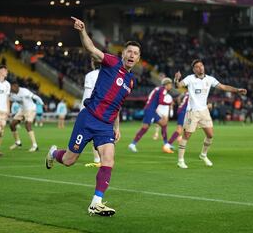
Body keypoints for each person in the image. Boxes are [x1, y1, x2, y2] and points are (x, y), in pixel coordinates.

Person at [45, 16, 141, 217]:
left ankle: (96, 203)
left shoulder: (131, 82)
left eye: (136, 53)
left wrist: (117, 127)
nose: (132, 55)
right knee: (70, 160)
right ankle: (54, 153)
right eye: (129, 51)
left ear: (138, 59)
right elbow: (91, 49)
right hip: (88, 119)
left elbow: (117, 105)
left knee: (109, 160)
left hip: (106, 125)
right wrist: (82, 31)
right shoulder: (111, 62)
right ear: (123, 54)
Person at [174, 59, 247, 169]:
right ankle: (180, 160)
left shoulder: (210, 79)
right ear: (194, 69)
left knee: (210, 135)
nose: (200, 68)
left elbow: (223, 87)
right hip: (192, 111)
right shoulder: (190, 78)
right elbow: (178, 86)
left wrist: (237, 90)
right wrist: (176, 79)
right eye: (197, 67)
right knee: (187, 135)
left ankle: (203, 155)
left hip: (204, 111)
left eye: (201, 65)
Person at [128, 78, 173, 154]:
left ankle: (166, 144)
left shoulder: (158, 88)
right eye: (170, 84)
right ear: (167, 85)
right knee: (145, 127)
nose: (171, 86)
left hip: (151, 110)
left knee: (163, 124)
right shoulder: (163, 90)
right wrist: (169, 103)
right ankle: (133, 144)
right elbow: (161, 101)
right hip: (150, 111)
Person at [9, 82, 44, 152]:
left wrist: (42, 103)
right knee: (12, 125)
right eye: (11, 87)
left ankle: (35, 145)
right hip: (22, 110)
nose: (11, 89)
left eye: (13, 87)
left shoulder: (24, 91)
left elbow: (35, 97)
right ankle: (18, 142)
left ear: (16, 86)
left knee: (28, 125)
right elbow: (9, 100)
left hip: (31, 109)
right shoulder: (11, 94)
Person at [81, 59, 101, 168]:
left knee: (92, 134)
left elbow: (87, 94)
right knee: (102, 134)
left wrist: (83, 110)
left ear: (93, 63)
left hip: (93, 109)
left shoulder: (90, 75)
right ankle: (102, 159)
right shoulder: (110, 75)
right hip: (106, 109)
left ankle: (98, 159)